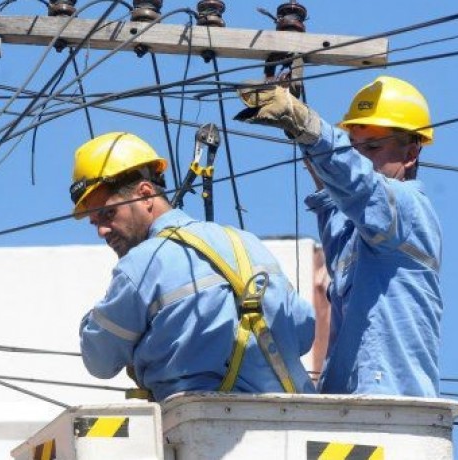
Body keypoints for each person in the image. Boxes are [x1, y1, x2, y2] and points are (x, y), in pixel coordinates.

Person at [235, 76, 442, 397]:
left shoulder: (408, 208)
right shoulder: (357, 228)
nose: (361, 157)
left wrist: (307, 124)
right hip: (348, 398)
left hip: (391, 397)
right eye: (354, 147)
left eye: (372, 147)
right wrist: (299, 129)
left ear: (412, 152)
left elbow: (356, 181)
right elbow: (336, 186)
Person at [73, 131, 316, 402]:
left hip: (198, 428)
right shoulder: (247, 243)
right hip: (295, 421)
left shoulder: (140, 265)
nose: (103, 231)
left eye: (108, 214)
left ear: (145, 194)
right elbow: (303, 332)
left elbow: (100, 360)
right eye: (95, 222)